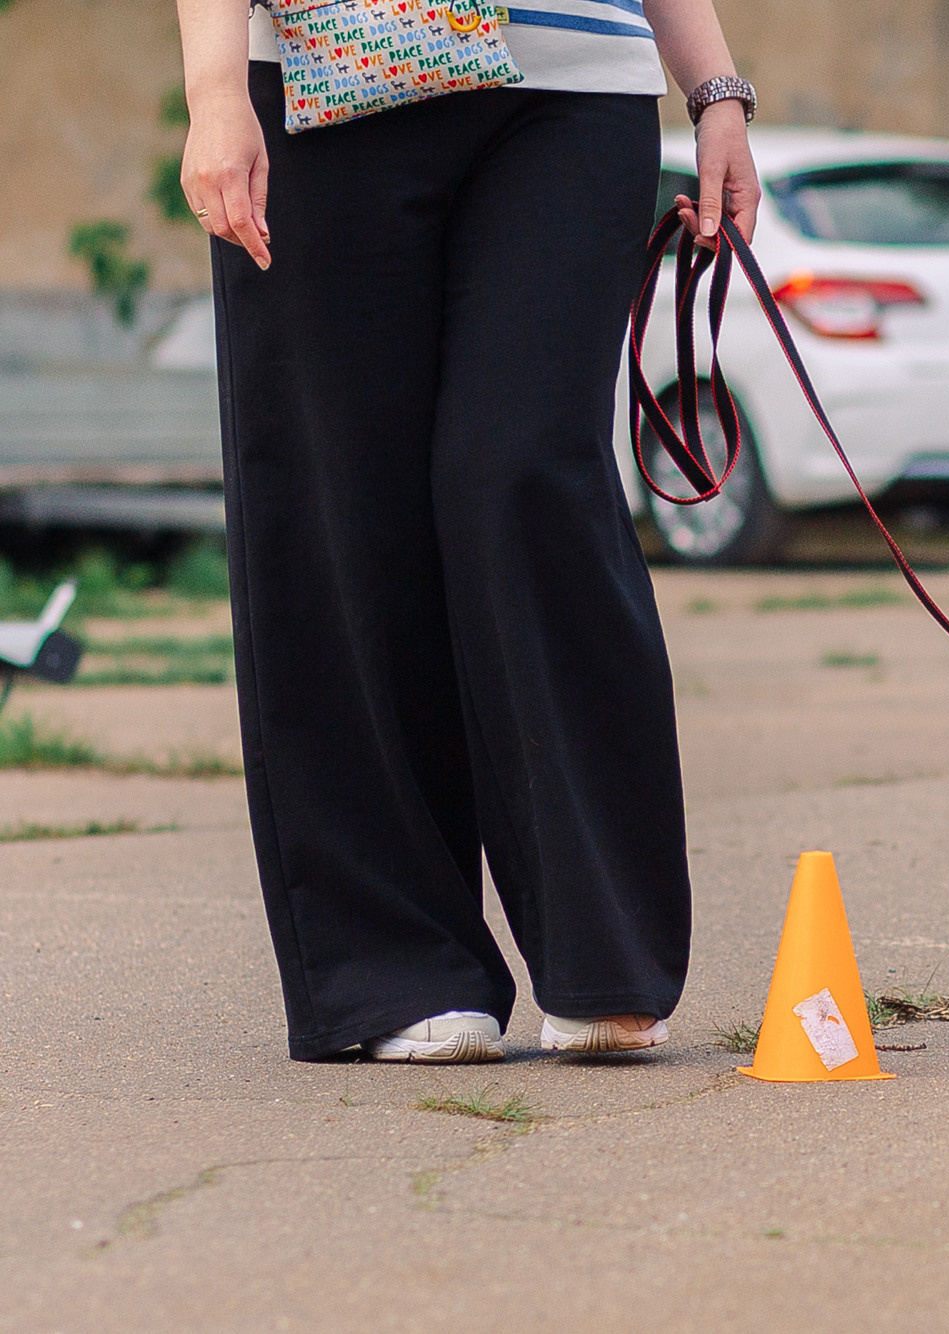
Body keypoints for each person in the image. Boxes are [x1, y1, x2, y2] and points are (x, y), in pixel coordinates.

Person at [173, 0, 759, 1061]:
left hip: (574, 74)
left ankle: (604, 952)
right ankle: (396, 965)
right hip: (320, 70)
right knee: (344, 508)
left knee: (525, 468)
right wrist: (215, 93)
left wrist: (713, 88)